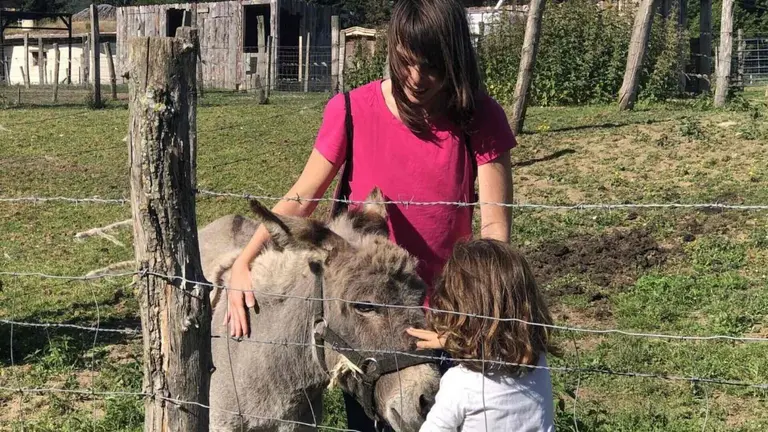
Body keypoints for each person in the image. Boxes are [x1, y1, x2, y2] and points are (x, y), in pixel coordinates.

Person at [225, 0, 516, 429]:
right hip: (370, 327)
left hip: (448, 319)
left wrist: (472, 323)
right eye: (406, 61)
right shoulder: (350, 111)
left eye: (433, 67)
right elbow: (303, 196)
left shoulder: (480, 118)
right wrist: (243, 264)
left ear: (457, 61)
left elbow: (495, 230)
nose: (417, 79)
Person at [407, 239, 556, 432]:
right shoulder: (537, 363)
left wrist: (456, 340)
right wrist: (453, 341)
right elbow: (496, 348)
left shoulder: (460, 384)